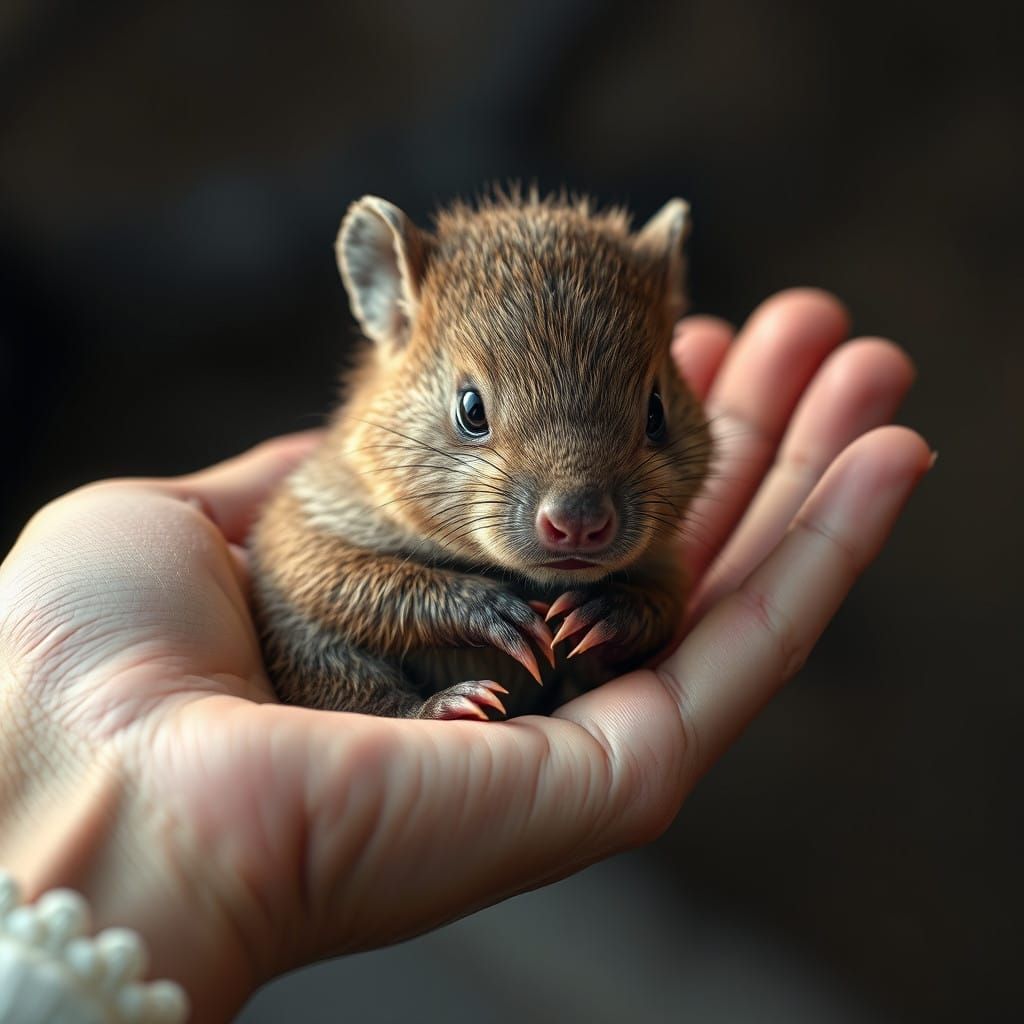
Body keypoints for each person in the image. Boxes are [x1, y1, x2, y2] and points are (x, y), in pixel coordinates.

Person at [0, 290, 931, 1023]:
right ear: (391, 319)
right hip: (354, 689)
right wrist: (453, 602)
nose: (577, 512)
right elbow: (313, 581)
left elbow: (658, 603)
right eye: (477, 415)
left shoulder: (642, 530)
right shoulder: (341, 492)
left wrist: (636, 613)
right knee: (305, 612)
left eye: (648, 420)